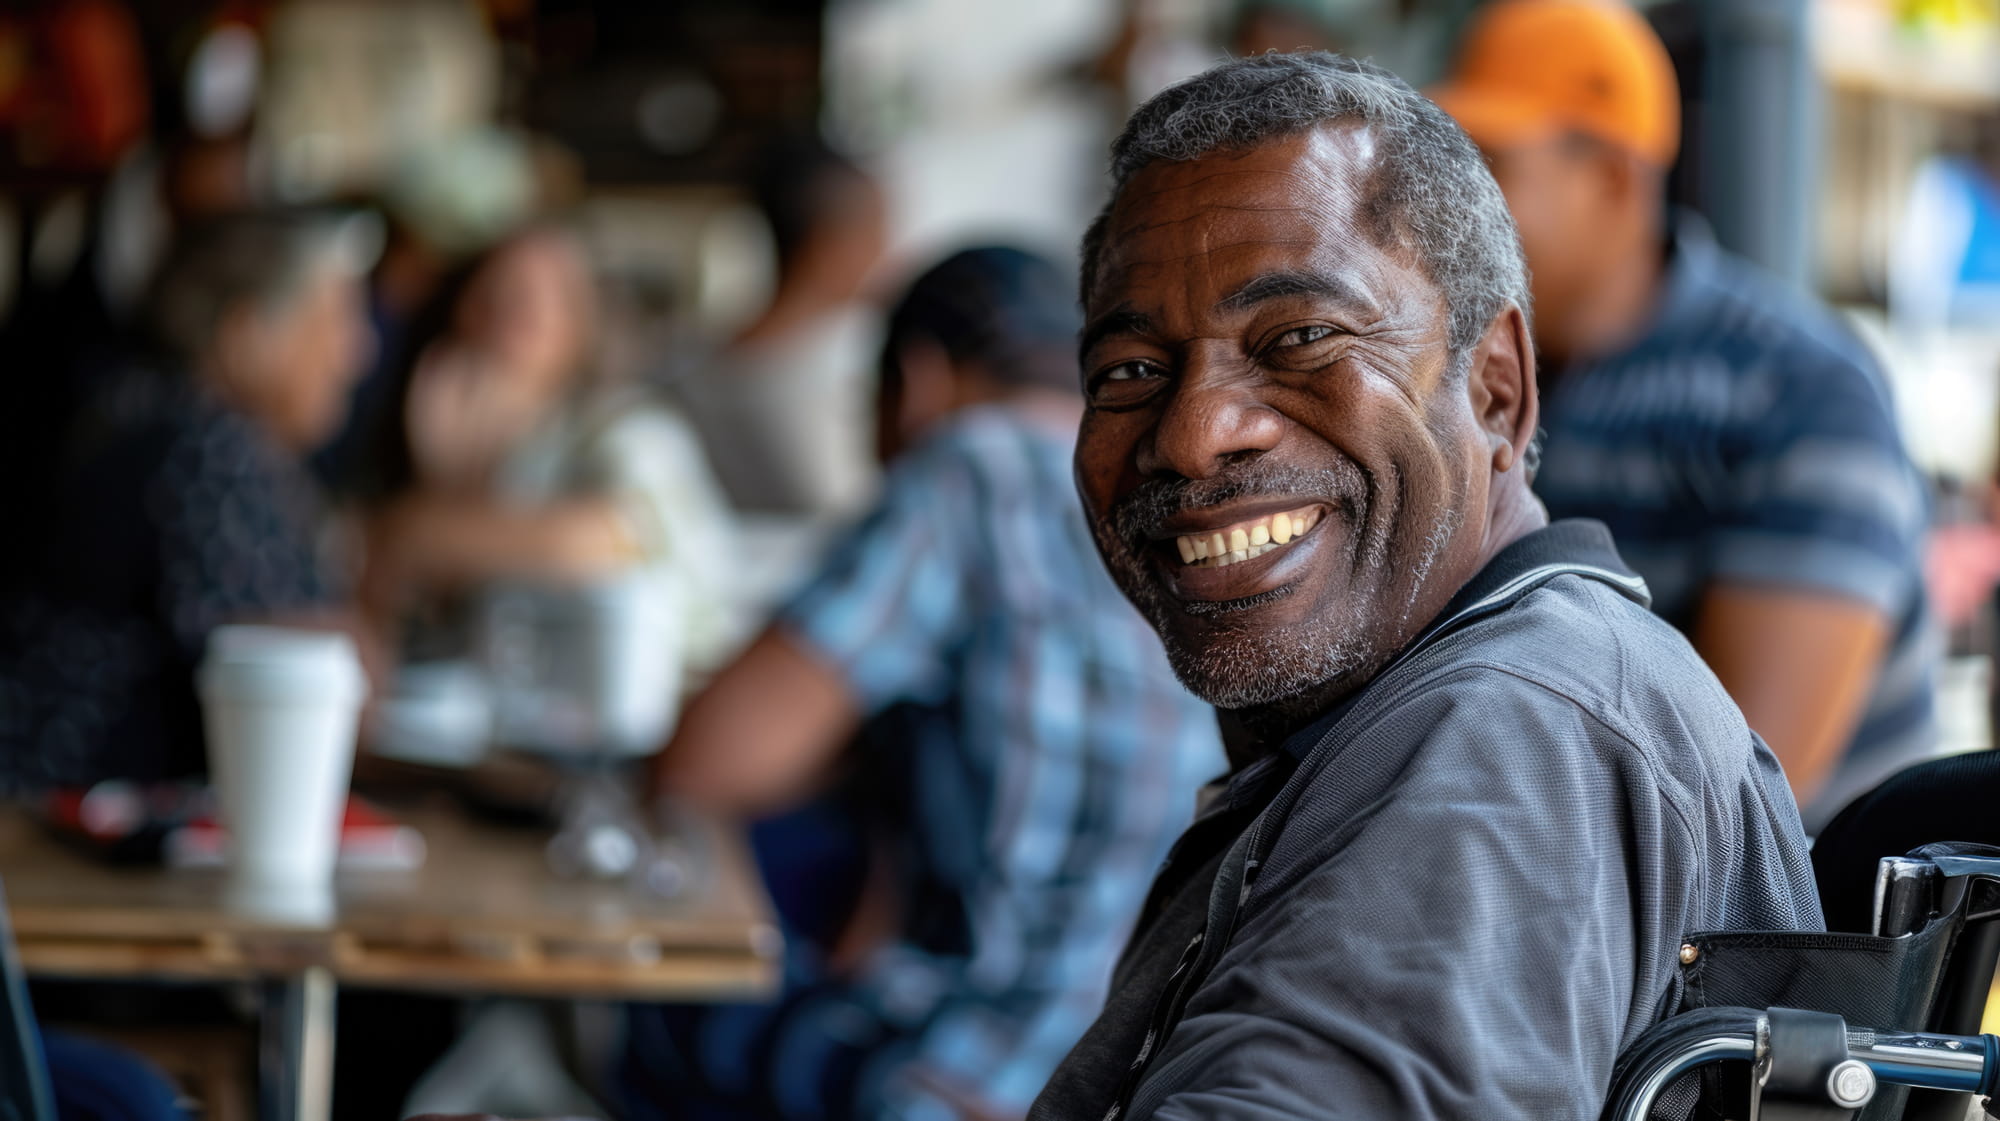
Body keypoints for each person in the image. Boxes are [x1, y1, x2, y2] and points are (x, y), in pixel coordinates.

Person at [1029, 52, 1819, 1119]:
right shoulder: (1424, 710)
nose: (1191, 433)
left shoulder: (1513, 732)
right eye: (1127, 371)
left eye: (1300, 337)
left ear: (1495, 389)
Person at [632, 247, 1223, 1121]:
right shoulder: (1165, 481)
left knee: (648, 1011)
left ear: (917, 382)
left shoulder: (971, 466)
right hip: (1122, 1075)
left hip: (951, 1074)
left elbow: (703, 766)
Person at [1427, 0, 1937, 830]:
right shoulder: (1474, 381)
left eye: (1490, 169)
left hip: (1785, 939)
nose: (1447, 221)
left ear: (1613, 180)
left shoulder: (1799, 392)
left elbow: (1736, 797)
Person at [0, 210, 372, 794]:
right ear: (250, 335)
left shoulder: (140, 407)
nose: (360, 353)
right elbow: (323, 678)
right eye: (337, 320)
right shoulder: (207, 447)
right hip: (69, 814)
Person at [360, 227, 740, 685]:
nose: (506, 317)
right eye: (490, 296)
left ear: (581, 327)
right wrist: (437, 468)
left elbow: (605, 540)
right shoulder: (427, 421)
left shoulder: (627, 430)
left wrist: (423, 522)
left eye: (531, 303)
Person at [671, 134, 890, 518]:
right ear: (830, 245)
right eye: (876, 234)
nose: (886, 254)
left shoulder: (682, 363)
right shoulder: (828, 380)